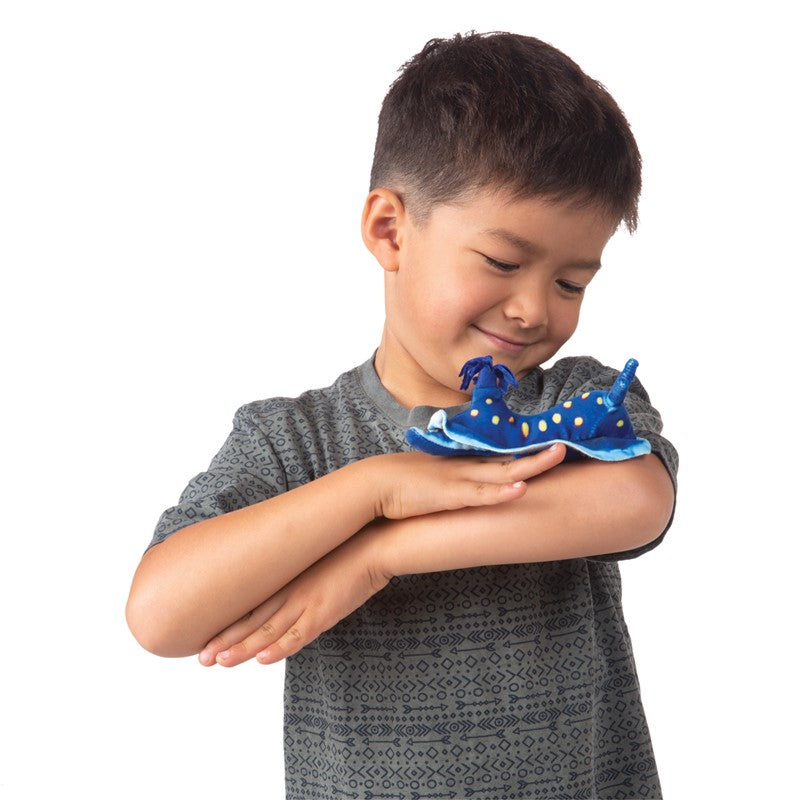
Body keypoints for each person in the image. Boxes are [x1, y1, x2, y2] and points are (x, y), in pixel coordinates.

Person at [127, 31, 678, 800]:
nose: (532, 310)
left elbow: (637, 501)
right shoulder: (299, 440)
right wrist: (374, 488)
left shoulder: (572, 400)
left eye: (572, 282)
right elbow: (160, 614)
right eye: (503, 262)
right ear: (390, 229)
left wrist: (375, 555)